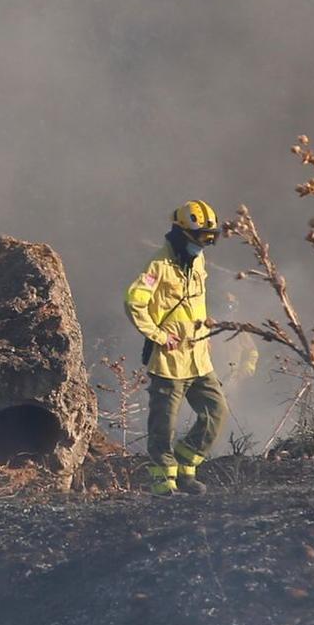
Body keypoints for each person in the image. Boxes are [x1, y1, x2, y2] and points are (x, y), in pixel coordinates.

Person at [124, 199, 227, 496]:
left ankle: (185, 466)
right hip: (169, 362)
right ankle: (162, 480)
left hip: (198, 359)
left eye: (210, 237)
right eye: (201, 237)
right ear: (182, 233)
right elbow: (133, 301)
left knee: (215, 413)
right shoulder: (158, 265)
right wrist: (157, 335)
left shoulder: (198, 261)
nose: (205, 244)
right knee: (163, 426)